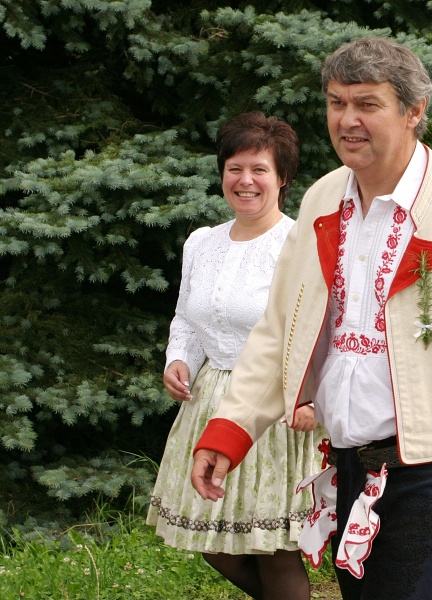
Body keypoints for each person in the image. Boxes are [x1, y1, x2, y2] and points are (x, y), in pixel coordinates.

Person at [189, 37, 432, 600]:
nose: (347, 120)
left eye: (367, 104)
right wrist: (232, 428)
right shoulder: (322, 199)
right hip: (347, 462)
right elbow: (280, 330)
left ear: (414, 110)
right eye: (336, 102)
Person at [147, 111, 325, 600]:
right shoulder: (201, 243)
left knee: (274, 551)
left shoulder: (299, 244)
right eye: (235, 168)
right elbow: (187, 317)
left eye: (259, 169)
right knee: (215, 544)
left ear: (282, 177)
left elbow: (319, 328)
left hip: (275, 409)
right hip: (209, 405)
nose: (245, 181)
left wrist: (311, 397)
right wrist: (179, 359)